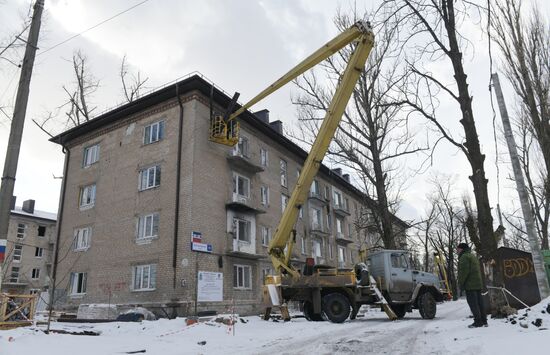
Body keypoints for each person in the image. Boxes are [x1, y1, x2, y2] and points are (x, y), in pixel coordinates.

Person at [457, 242, 487, 328]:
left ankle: (478, 322)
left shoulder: (464, 257)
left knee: (473, 304)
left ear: (461, 249)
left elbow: (463, 272)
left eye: (458, 249)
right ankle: (484, 321)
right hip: (477, 283)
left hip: (470, 285)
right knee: (480, 303)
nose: (457, 251)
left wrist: (461, 284)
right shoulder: (473, 256)